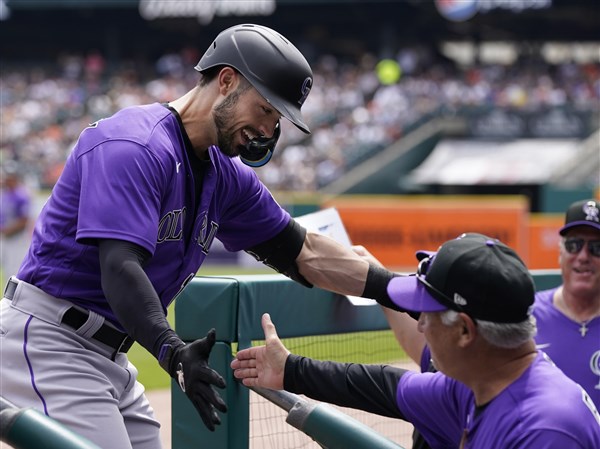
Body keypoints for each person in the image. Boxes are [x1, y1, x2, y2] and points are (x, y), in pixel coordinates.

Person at [0, 24, 398, 449]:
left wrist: (401, 291)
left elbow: (303, 252)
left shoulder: (226, 176)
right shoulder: (133, 144)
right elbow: (119, 267)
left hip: (110, 354)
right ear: (226, 80)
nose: (268, 131)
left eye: (276, 119)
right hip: (50, 340)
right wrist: (172, 351)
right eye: (265, 109)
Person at [232, 233, 600, 449]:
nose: (420, 325)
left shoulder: (546, 430)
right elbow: (387, 386)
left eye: (428, 314)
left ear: (465, 331)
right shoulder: (485, 383)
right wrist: (290, 369)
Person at [0, 164, 31, 281]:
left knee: (12, 272)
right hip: (4, 237)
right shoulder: (5, 193)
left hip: (17, 239)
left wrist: (6, 231)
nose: (6, 179)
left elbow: (24, 220)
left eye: (9, 176)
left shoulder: (21, 195)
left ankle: (12, 299)